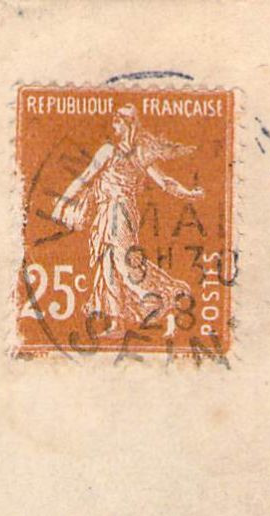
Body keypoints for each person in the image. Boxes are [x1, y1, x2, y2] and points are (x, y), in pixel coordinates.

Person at [49, 104, 205, 341]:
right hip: (105, 211)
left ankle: (157, 299)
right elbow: (84, 178)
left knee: (123, 260)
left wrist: (188, 194)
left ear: (128, 125)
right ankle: (116, 322)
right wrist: (62, 203)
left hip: (121, 212)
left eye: (118, 121)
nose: (114, 125)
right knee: (107, 263)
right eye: (114, 121)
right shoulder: (107, 151)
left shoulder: (140, 154)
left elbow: (165, 182)